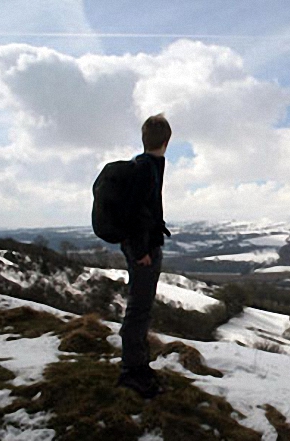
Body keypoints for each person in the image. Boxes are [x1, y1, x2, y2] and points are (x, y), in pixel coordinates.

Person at [117, 114, 171, 398]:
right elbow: (134, 212)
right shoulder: (146, 169)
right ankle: (131, 372)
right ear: (166, 141)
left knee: (142, 308)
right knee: (139, 309)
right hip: (143, 252)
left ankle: (139, 365)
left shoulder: (148, 166)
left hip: (145, 247)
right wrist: (142, 251)